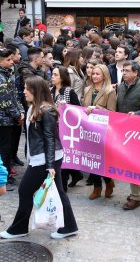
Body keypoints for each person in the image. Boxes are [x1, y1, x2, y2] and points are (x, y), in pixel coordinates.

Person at [0, 76, 78, 239]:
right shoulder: (34, 107)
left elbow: (50, 138)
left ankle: (19, 228)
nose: (24, 91)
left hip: (45, 160)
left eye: (27, 88)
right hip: (44, 158)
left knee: (25, 190)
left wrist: (49, 166)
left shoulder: (46, 109)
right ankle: (69, 226)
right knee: (58, 191)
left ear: (36, 91)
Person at [117, 61, 140, 210]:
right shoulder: (121, 85)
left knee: (133, 164)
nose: (124, 73)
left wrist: (136, 114)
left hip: (138, 132)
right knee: (131, 163)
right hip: (123, 130)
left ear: (135, 73)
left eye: (127, 71)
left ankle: (135, 197)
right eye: (123, 70)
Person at [82, 64, 116, 200]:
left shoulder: (110, 91)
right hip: (88, 130)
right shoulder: (87, 89)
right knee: (91, 160)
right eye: (93, 73)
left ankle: (108, 182)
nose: (94, 76)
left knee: (101, 160)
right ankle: (97, 187)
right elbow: (82, 108)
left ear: (104, 76)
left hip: (102, 131)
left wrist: (96, 108)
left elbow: (112, 113)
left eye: (98, 74)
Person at [50, 66, 83, 192]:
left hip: (66, 130)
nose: (52, 77)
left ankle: (62, 186)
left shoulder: (69, 92)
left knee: (62, 157)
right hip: (52, 128)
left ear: (62, 77)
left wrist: (66, 108)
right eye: (52, 74)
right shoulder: (50, 90)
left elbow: (77, 111)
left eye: (55, 75)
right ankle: (76, 174)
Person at [0, 48, 24, 188]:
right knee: (4, 149)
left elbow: (15, 95)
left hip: (10, 119)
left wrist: (20, 111)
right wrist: (17, 115)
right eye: (8, 60)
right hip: (3, 120)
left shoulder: (8, 73)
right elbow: (5, 101)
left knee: (7, 148)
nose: (11, 62)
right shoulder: (1, 76)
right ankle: (4, 178)